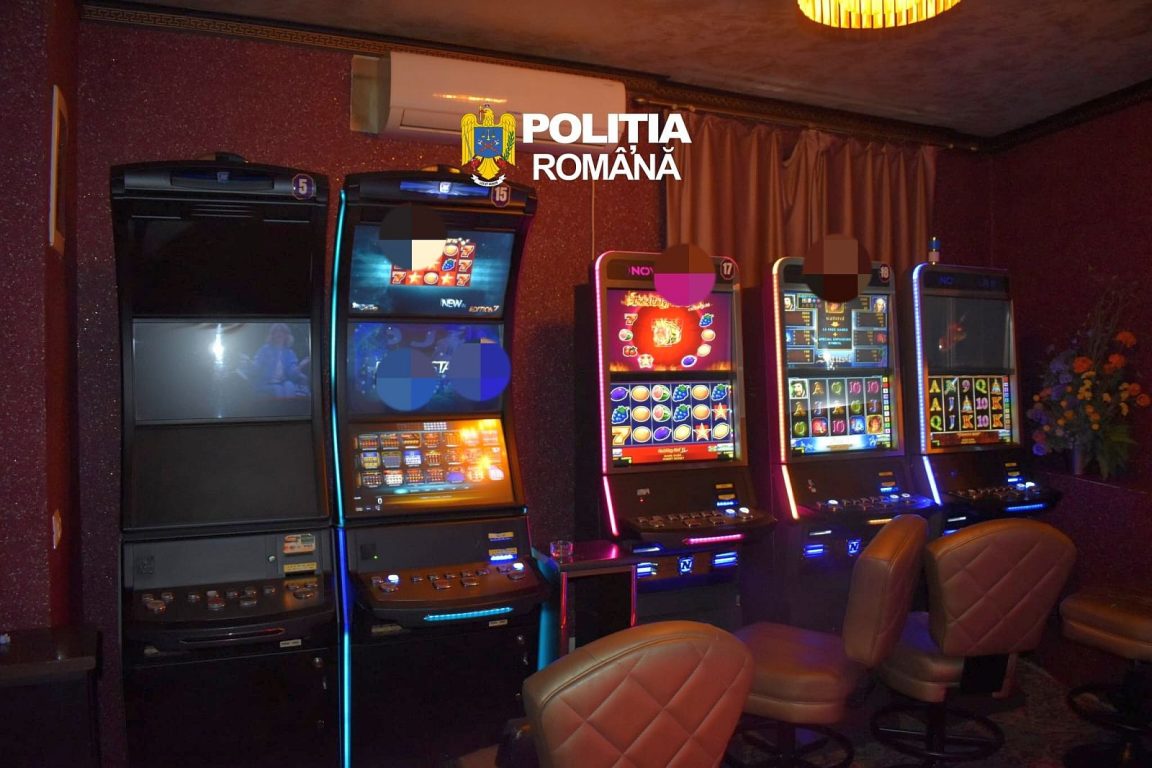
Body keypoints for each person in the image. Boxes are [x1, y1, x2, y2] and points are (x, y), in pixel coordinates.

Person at [248, 323, 309, 397]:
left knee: (290, 386)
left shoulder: (290, 353)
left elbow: (292, 374)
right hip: (266, 382)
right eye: (276, 331)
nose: (279, 333)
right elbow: (256, 365)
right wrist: (249, 363)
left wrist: (300, 366)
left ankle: (290, 404)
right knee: (278, 389)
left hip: (283, 382)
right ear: (272, 335)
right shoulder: (264, 349)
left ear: (286, 335)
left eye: (282, 331)